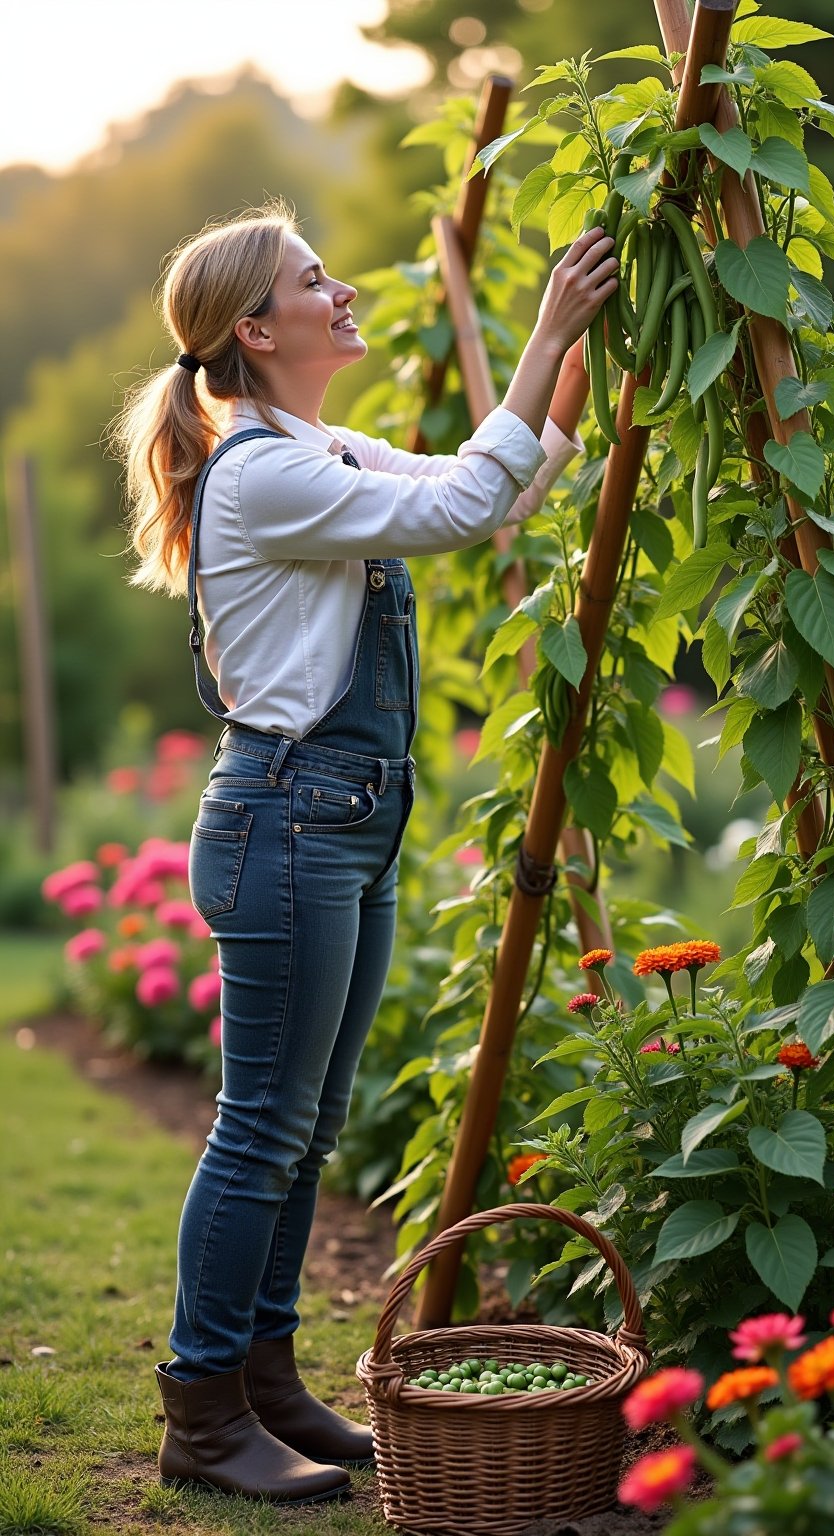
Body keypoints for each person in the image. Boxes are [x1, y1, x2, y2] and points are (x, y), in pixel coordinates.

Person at [110, 198, 617, 1505]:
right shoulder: (267, 469)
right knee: (262, 1130)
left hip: (343, 823)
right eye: (313, 278)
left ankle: (266, 1386)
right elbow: (456, 507)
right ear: (255, 329)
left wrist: (560, 399)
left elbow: (478, 488)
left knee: (305, 1124)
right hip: (289, 823)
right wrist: (545, 328)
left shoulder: (314, 446)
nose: (341, 291)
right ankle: (203, 1412)